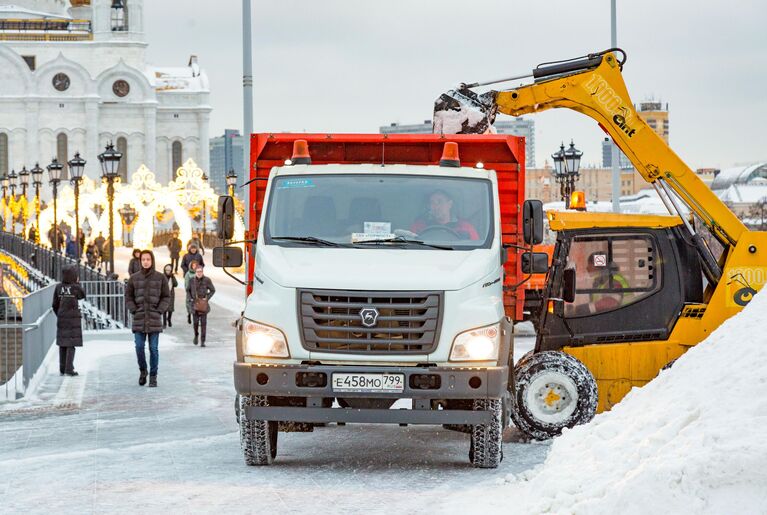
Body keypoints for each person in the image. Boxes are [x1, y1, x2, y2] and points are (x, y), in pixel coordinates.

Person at [125, 250, 170, 388]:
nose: (145, 261)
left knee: (153, 348)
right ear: (140, 261)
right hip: (139, 317)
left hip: (154, 318)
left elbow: (166, 296)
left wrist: (160, 310)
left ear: (152, 261)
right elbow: (128, 297)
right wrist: (133, 309)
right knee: (139, 347)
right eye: (143, 259)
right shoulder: (134, 278)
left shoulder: (160, 277)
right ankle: (143, 371)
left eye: (148, 259)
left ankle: (153, 376)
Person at [51, 265, 86, 377]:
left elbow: (54, 305)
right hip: (73, 320)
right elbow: (82, 295)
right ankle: (69, 369)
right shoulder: (75, 287)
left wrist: (60, 314)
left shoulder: (58, 287)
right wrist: (78, 283)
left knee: (63, 344)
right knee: (71, 345)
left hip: (62, 319)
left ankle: (62, 368)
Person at [410, 190, 479, 240]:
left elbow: (476, 251)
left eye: (440, 202)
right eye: (432, 202)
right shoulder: (419, 226)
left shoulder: (465, 227)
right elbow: (411, 246)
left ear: (450, 204)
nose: (435, 206)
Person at [186, 263, 215, 346]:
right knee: (195, 323)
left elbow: (213, 290)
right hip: (194, 304)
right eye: (198, 271)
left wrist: (207, 298)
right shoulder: (192, 280)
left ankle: (203, 341)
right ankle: (196, 335)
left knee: (203, 323)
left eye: (200, 271)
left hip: (203, 305)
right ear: (195, 272)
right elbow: (187, 290)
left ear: (202, 272)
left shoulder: (207, 280)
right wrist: (190, 298)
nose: (199, 273)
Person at [162, 264, 178, 328]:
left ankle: (169, 319)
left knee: (170, 309)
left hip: (171, 294)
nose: (168, 271)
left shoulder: (172, 277)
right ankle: (164, 323)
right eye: (166, 270)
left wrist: (173, 277)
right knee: (164, 309)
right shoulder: (162, 276)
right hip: (164, 294)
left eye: (169, 270)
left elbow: (176, 284)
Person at [184, 260, 198, 325]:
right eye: (193, 265)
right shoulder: (188, 274)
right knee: (190, 305)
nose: (194, 267)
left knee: (197, 306)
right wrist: (187, 290)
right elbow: (186, 283)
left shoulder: (198, 272)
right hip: (190, 291)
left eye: (195, 265)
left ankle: (196, 319)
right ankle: (189, 315)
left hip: (197, 292)